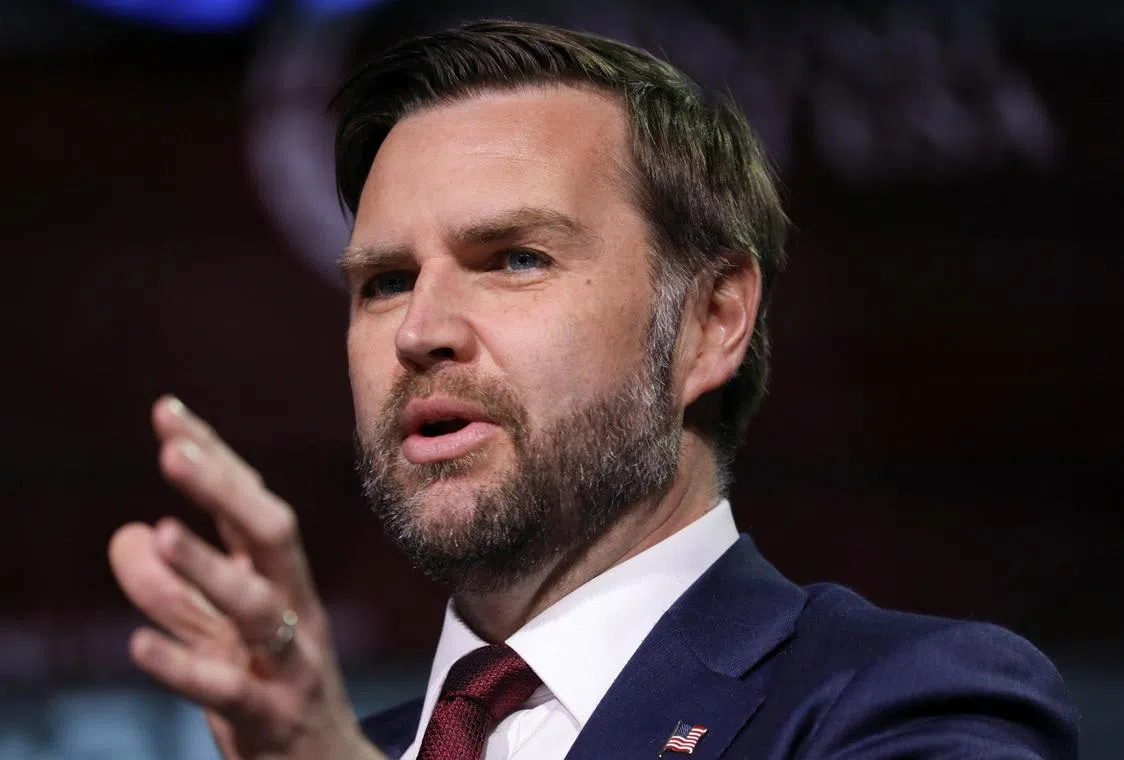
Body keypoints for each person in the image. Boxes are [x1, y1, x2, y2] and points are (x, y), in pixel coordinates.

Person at [108, 19, 1079, 760]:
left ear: (711, 321)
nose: (418, 331)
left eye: (514, 257)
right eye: (385, 281)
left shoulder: (905, 700)